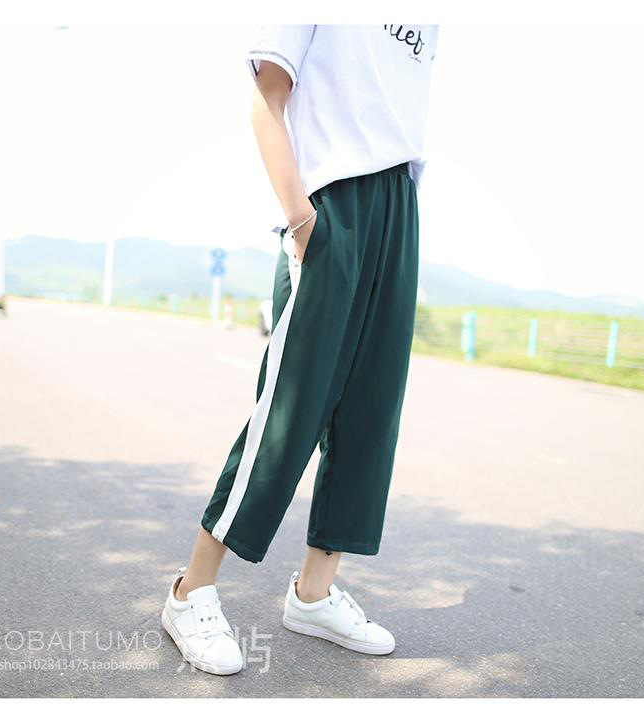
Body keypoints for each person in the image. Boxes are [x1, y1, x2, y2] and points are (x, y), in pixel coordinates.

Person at [161, 23, 439, 675]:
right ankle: (191, 591)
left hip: (399, 203)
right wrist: (303, 218)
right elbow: (268, 100)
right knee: (289, 410)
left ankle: (314, 593)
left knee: (371, 411)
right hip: (331, 201)